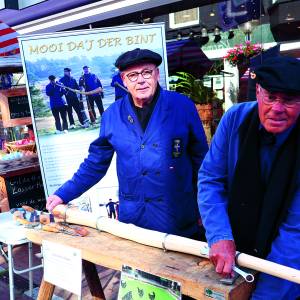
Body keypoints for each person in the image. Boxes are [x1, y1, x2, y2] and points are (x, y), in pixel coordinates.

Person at [46, 48, 208, 239]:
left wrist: (205, 210)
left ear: (156, 74)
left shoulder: (182, 106)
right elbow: (95, 164)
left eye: (146, 72)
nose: (140, 80)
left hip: (176, 217)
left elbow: (202, 163)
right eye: (132, 75)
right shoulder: (112, 115)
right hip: (133, 220)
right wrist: (63, 194)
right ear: (123, 80)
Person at [198, 56, 300, 299]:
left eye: (288, 100)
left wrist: (266, 295)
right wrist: (220, 235)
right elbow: (210, 178)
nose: (276, 108)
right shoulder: (234, 118)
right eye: (271, 97)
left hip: (287, 265)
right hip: (234, 252)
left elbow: (295, 233)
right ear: (257, 91)